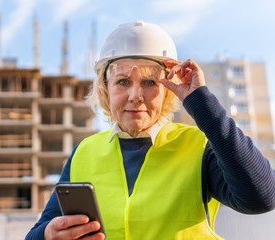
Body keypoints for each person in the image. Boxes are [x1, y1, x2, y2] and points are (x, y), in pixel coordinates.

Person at [25, 21, 275, 240]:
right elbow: (36, 233)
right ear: (106, 89)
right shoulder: (84, 153)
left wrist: (202, 104)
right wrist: (48, 234)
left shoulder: (198, 146)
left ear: (167, 89)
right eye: (123, 81)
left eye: (150, 82)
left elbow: (262, 197)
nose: (136, 96)